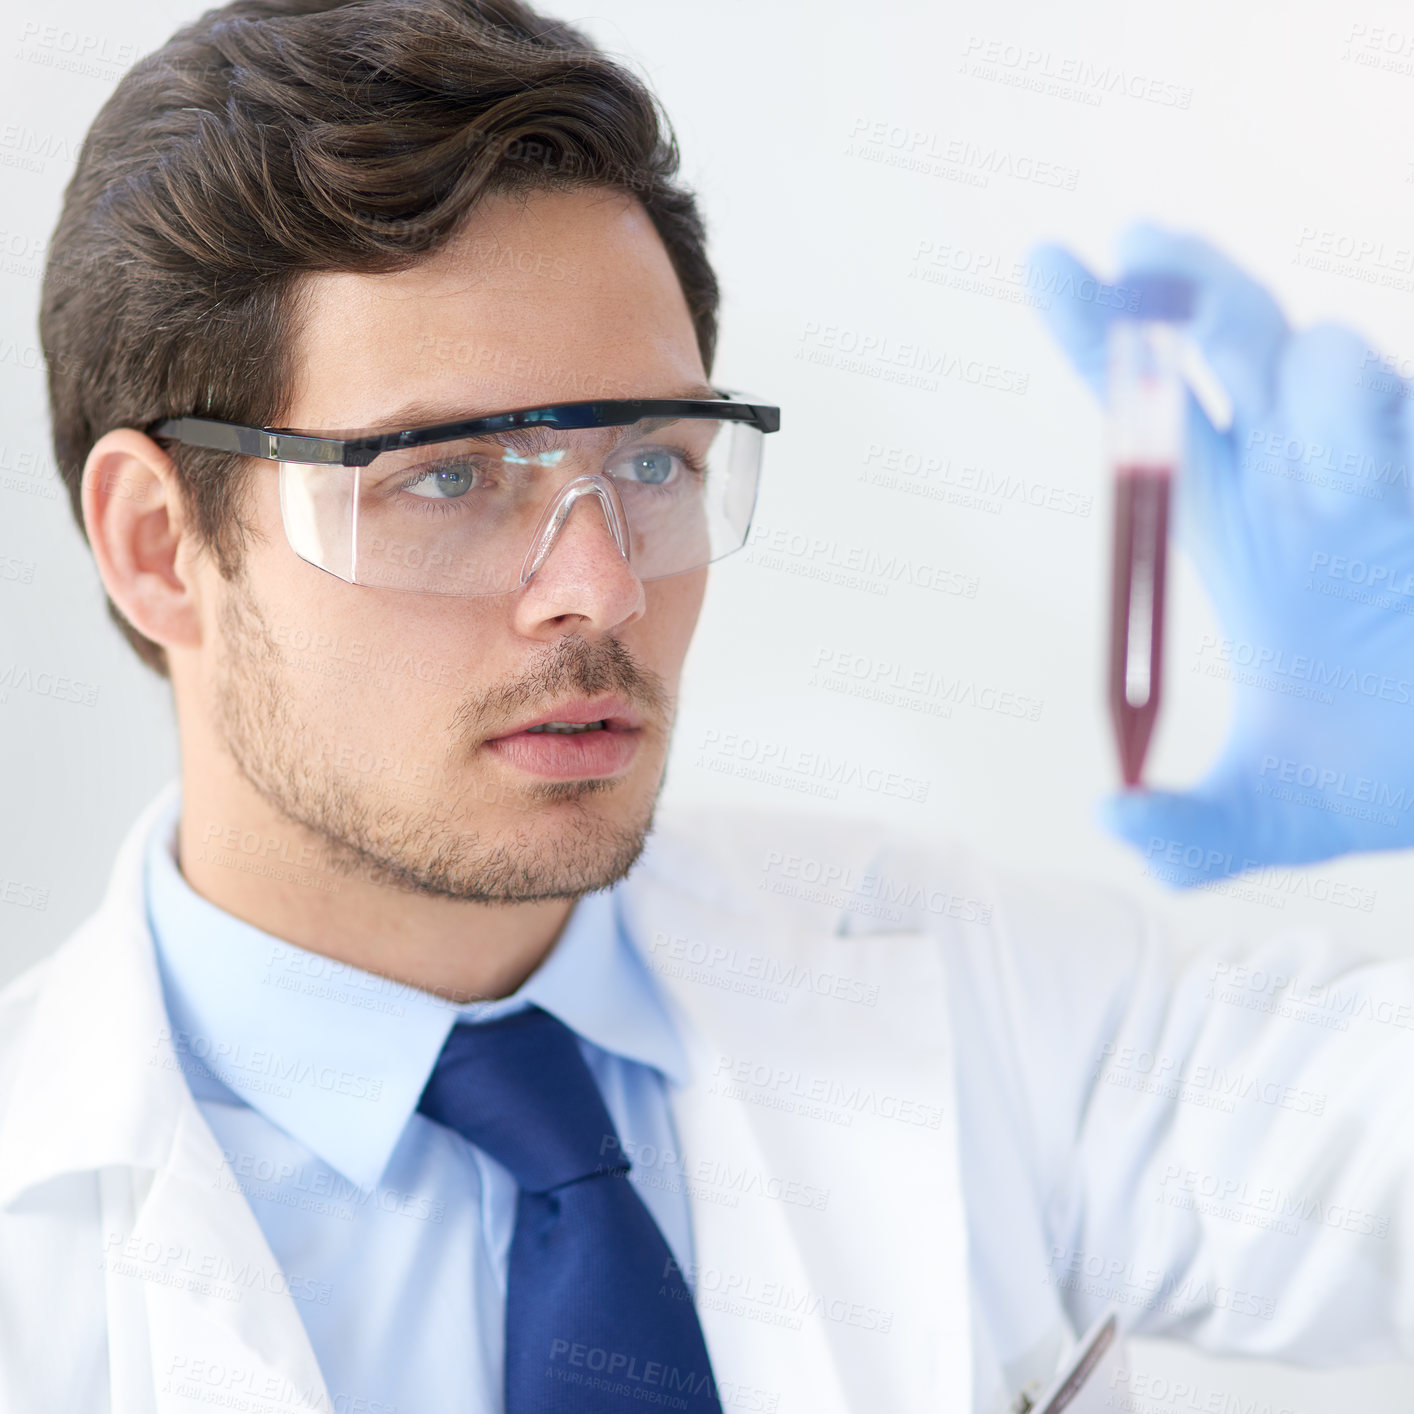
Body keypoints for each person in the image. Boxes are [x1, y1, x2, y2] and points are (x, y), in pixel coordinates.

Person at [4, 2, 1414, 1412]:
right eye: (445, 475)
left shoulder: (964, 992)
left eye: (655, 462)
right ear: (154, 543)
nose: (602, 588)